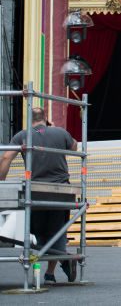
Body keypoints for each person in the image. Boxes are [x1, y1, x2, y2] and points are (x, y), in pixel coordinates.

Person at [0, 108, 78, 284]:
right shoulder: (60, 132)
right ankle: (54, 269)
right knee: (56, 231)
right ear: (46, 118)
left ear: (29, 119)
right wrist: (56, 132)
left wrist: (1, 182)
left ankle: (59, 262)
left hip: (35, 190)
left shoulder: (22, 135)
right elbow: (75, 147)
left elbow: (6, 158)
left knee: (37, 231)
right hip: (61, 190)